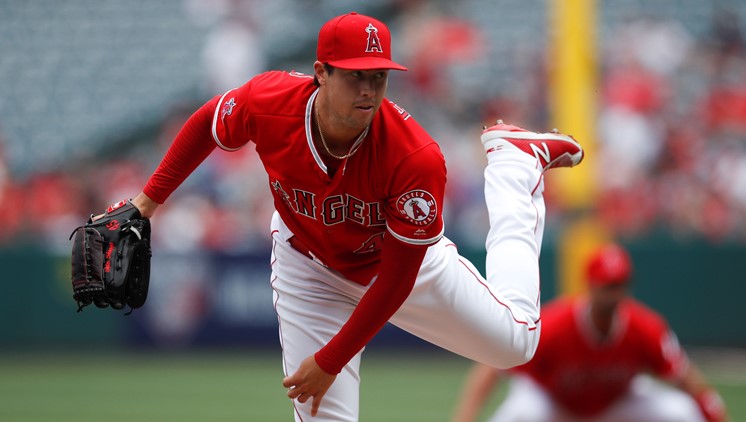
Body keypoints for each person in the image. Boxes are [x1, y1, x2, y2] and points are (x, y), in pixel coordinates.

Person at [118, 12, 584, 420]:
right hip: (308, 265)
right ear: (320, 72)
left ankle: (513, 164)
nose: (368, 90)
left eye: (378, 77)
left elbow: (397, 281)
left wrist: (331, 359)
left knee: (515, 345)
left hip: (397, 269)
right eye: (354, 76)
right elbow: (208, 123)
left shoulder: (414, 157)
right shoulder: (270, 101)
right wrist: (146, 203)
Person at [452, 243, 727, 422]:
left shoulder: (645, 327)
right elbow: (491, 369)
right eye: (608, 285)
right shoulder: (556, 325)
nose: (614, 293)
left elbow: (684, 375)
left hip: (616, 402)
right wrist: (465, 417)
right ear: (591, 286)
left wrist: (714, 411)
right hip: (551, 401)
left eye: (620, 284)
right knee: (517, 415)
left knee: (683, 413)